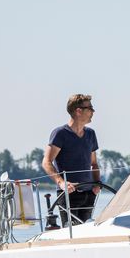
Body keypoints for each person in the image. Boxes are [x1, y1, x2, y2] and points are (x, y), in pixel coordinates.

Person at [42, 93, 101, 226]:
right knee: (71, 232)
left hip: (89, 194)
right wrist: (61, 183)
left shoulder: (90, 134)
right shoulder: (60, 133)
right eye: (90, 108)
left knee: (86, 231)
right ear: (78, 111)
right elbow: (46, 162)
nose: (93, 111)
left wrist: (97, 183)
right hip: (68, 194)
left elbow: (94, 163)